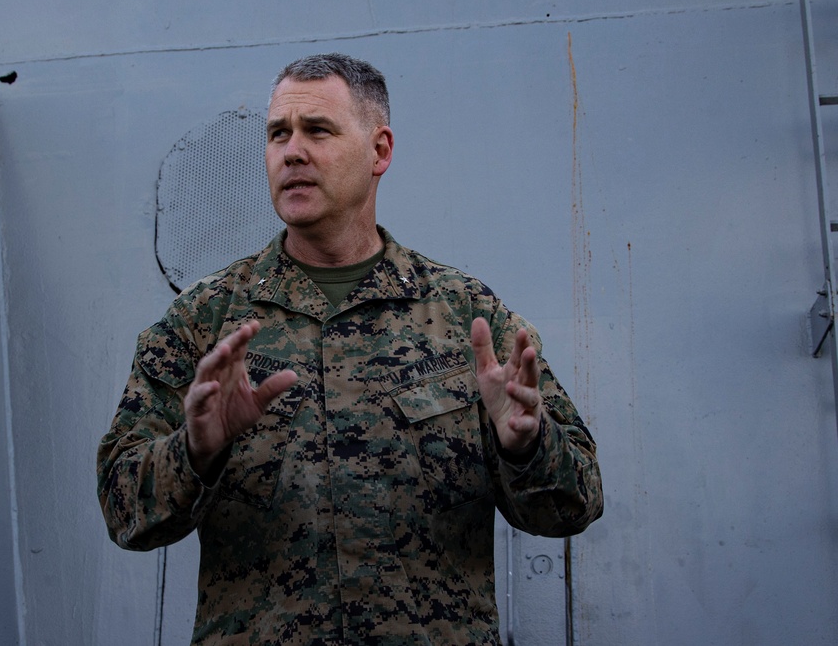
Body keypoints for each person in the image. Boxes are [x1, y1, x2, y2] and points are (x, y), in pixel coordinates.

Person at [98, 52, 602, 645]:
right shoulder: (204, 323)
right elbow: (123, 509)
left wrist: (527, 448)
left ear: (380, 151)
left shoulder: (468, 319)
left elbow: (576, 504)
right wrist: (194, 453)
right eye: (277, 134)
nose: (291, 152)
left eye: (318, 131)